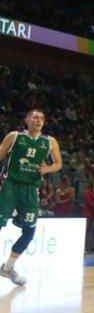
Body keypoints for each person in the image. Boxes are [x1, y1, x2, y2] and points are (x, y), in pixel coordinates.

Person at [0, 109, 63, 286]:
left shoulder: (49, 142)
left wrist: (48, 169)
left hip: (30, 189)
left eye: (42, 118)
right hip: (10, 185)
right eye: (35, 117)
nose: (38, 120)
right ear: (27, 120)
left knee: (29, 231)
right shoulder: (15, 136)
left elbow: (58, 163)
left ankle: (7, 268)